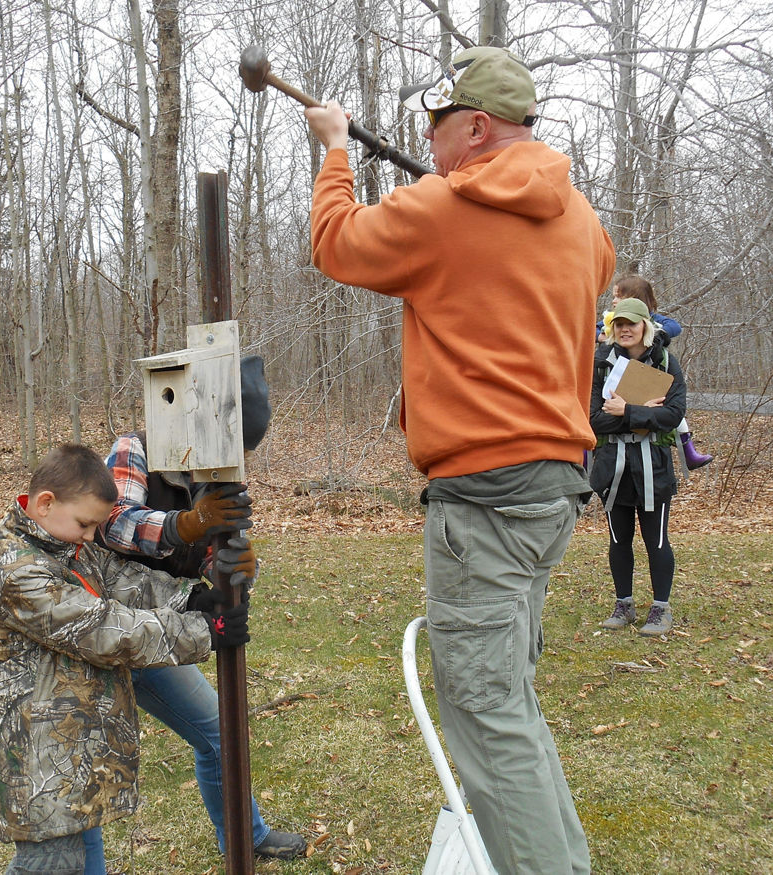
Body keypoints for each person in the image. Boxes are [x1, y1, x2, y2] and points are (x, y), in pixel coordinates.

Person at [304, 45, 614, 875]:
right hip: (554, 487)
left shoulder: (442, 206)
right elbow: (594, 276)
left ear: (477, 127)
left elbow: (336, 243)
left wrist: (335, 147)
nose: (431, 141)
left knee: (484, 713)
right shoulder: (583, 221)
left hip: (484, 495)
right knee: (507, 703)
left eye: (439, 126)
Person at [0, 443, 253, 875]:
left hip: (71, 744)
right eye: (86, 524)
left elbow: (122, 580)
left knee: (81, 855)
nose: (91, 536)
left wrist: (192, 598)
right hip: (37, 753)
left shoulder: (64, 546)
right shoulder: (19, 571)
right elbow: (103, 630)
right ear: (45, 503)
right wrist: (204, 632)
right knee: (51, 862)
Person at [86, 356, 307, 866]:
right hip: (107, 625)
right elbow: (112, 522)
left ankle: (245, 837)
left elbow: (217, 556)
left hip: (163, 624)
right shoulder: (134, 448)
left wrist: (237, 566)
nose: (233, 456)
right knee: (80, 764)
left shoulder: (217, 470)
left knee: (218, 731)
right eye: (234, 441)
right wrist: (183, 525)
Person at [589, 298, 687, 636]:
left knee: (656, 539)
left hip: (653, 469)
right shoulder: (601, 364)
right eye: (619, 324)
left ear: (646, 325)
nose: (625, 329)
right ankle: (624, 604)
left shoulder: (664, 363)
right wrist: (644, 413)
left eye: (632, 323)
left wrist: (627, 411)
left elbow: (673, 416)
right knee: (619, 540)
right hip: (612, 467)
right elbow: (593, 420)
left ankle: (660, 608)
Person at [598, 274, 712, 469]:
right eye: (620, 325)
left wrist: (658, 334)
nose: (614, 301)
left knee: (675, 414)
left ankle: (688, 450)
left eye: (619, 296)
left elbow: (674, 327)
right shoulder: (608, 326)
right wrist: (602, 336)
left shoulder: (655, 326)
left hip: (648, 376)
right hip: (611, 459)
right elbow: (595, 418)